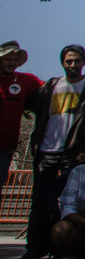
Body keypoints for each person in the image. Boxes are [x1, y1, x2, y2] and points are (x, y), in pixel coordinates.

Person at [26, 44, 85, 259]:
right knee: (40, 202)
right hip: (46, 150)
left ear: (83, 62)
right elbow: (30, 107)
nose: (73, 64)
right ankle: (34, 248)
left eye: (77, 60)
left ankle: (61, 248)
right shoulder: (51, 86)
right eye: (69, 61)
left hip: (73, 152)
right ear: (62, 62)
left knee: (69, 203)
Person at [0, 40, 41, 197]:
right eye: (8, 59)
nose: (12, 63)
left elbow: (51, 88)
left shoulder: (26, 81)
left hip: (4, 149)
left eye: (15, 60)